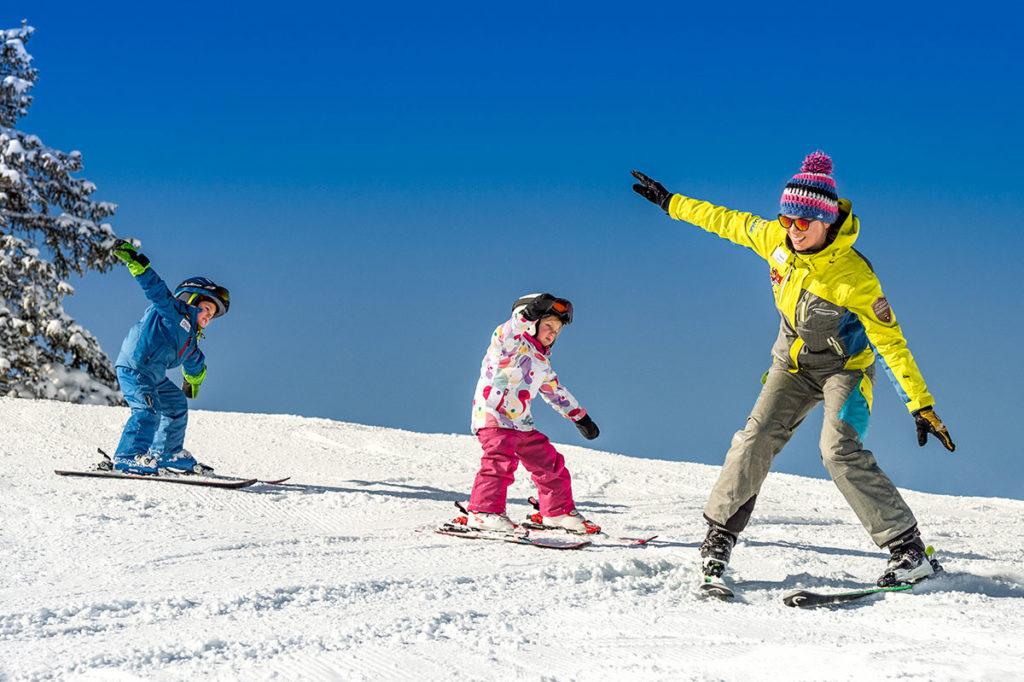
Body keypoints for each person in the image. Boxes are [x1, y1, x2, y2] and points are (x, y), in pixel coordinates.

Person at [632, 151, 955, 587]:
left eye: (802, 223)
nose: (792, 230)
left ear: (826, 222)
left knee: (837, 449)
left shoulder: (855, 276)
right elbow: (723, 220)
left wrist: (920, 404)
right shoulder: (775, 241)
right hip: (791, 366)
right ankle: (719, 536)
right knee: (756, 436)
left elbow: (890, 343)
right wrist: (671, 202)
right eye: (786, 219)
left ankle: (909, 549)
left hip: (847, 371)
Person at [452, 293, 602, 535]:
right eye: (548, 325)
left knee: (550, 463)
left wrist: (580, 417)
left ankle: (557, 512)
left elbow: (556, 392)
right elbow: (508, 331)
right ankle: (484, 511)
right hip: (494, 418)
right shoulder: (508, 345)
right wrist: (528, 314)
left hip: (521, 425)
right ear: (531, 323)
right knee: (500, 461)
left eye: (558, 330)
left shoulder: (541, 362)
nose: (553, 333)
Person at [100, 239, 230, 475]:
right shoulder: (173, 311)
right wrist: (136, 264)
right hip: (136, 367)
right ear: (191, 299)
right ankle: (127, 456)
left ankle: (167, 452)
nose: (209, 317)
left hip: (154, 375)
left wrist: (193, 381)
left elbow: (195, 362)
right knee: (147, 410)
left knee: (176, 404)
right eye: (207, 309)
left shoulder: (190, 339)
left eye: (212, 315)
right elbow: (155, 289)